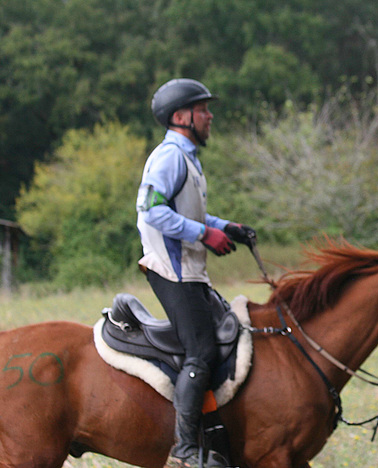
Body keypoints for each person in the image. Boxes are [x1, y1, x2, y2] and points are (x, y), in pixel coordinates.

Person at [136, 78, 254, 467]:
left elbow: (188, 213)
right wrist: (205, 234)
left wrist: (227, 226)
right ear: (181, 116)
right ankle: (184, 451)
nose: (210, 116)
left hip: (189, 271)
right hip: (172, 271)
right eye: (203, 110)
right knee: (201, 352)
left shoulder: (187, 158)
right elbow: (151, 210)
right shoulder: (169, 157)